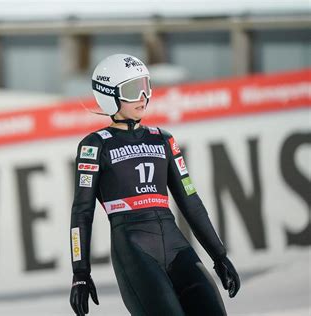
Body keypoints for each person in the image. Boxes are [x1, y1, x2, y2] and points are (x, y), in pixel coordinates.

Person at [69, 54, 240, 316]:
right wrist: (80, 272)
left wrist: (219, 255)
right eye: (132, 90)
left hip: (177, 246)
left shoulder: (163, 139)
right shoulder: (95, 145)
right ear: (108, 95)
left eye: (145, 86)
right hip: (134, 251)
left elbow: (191, 202)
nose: (143, 97)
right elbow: (82, 212)